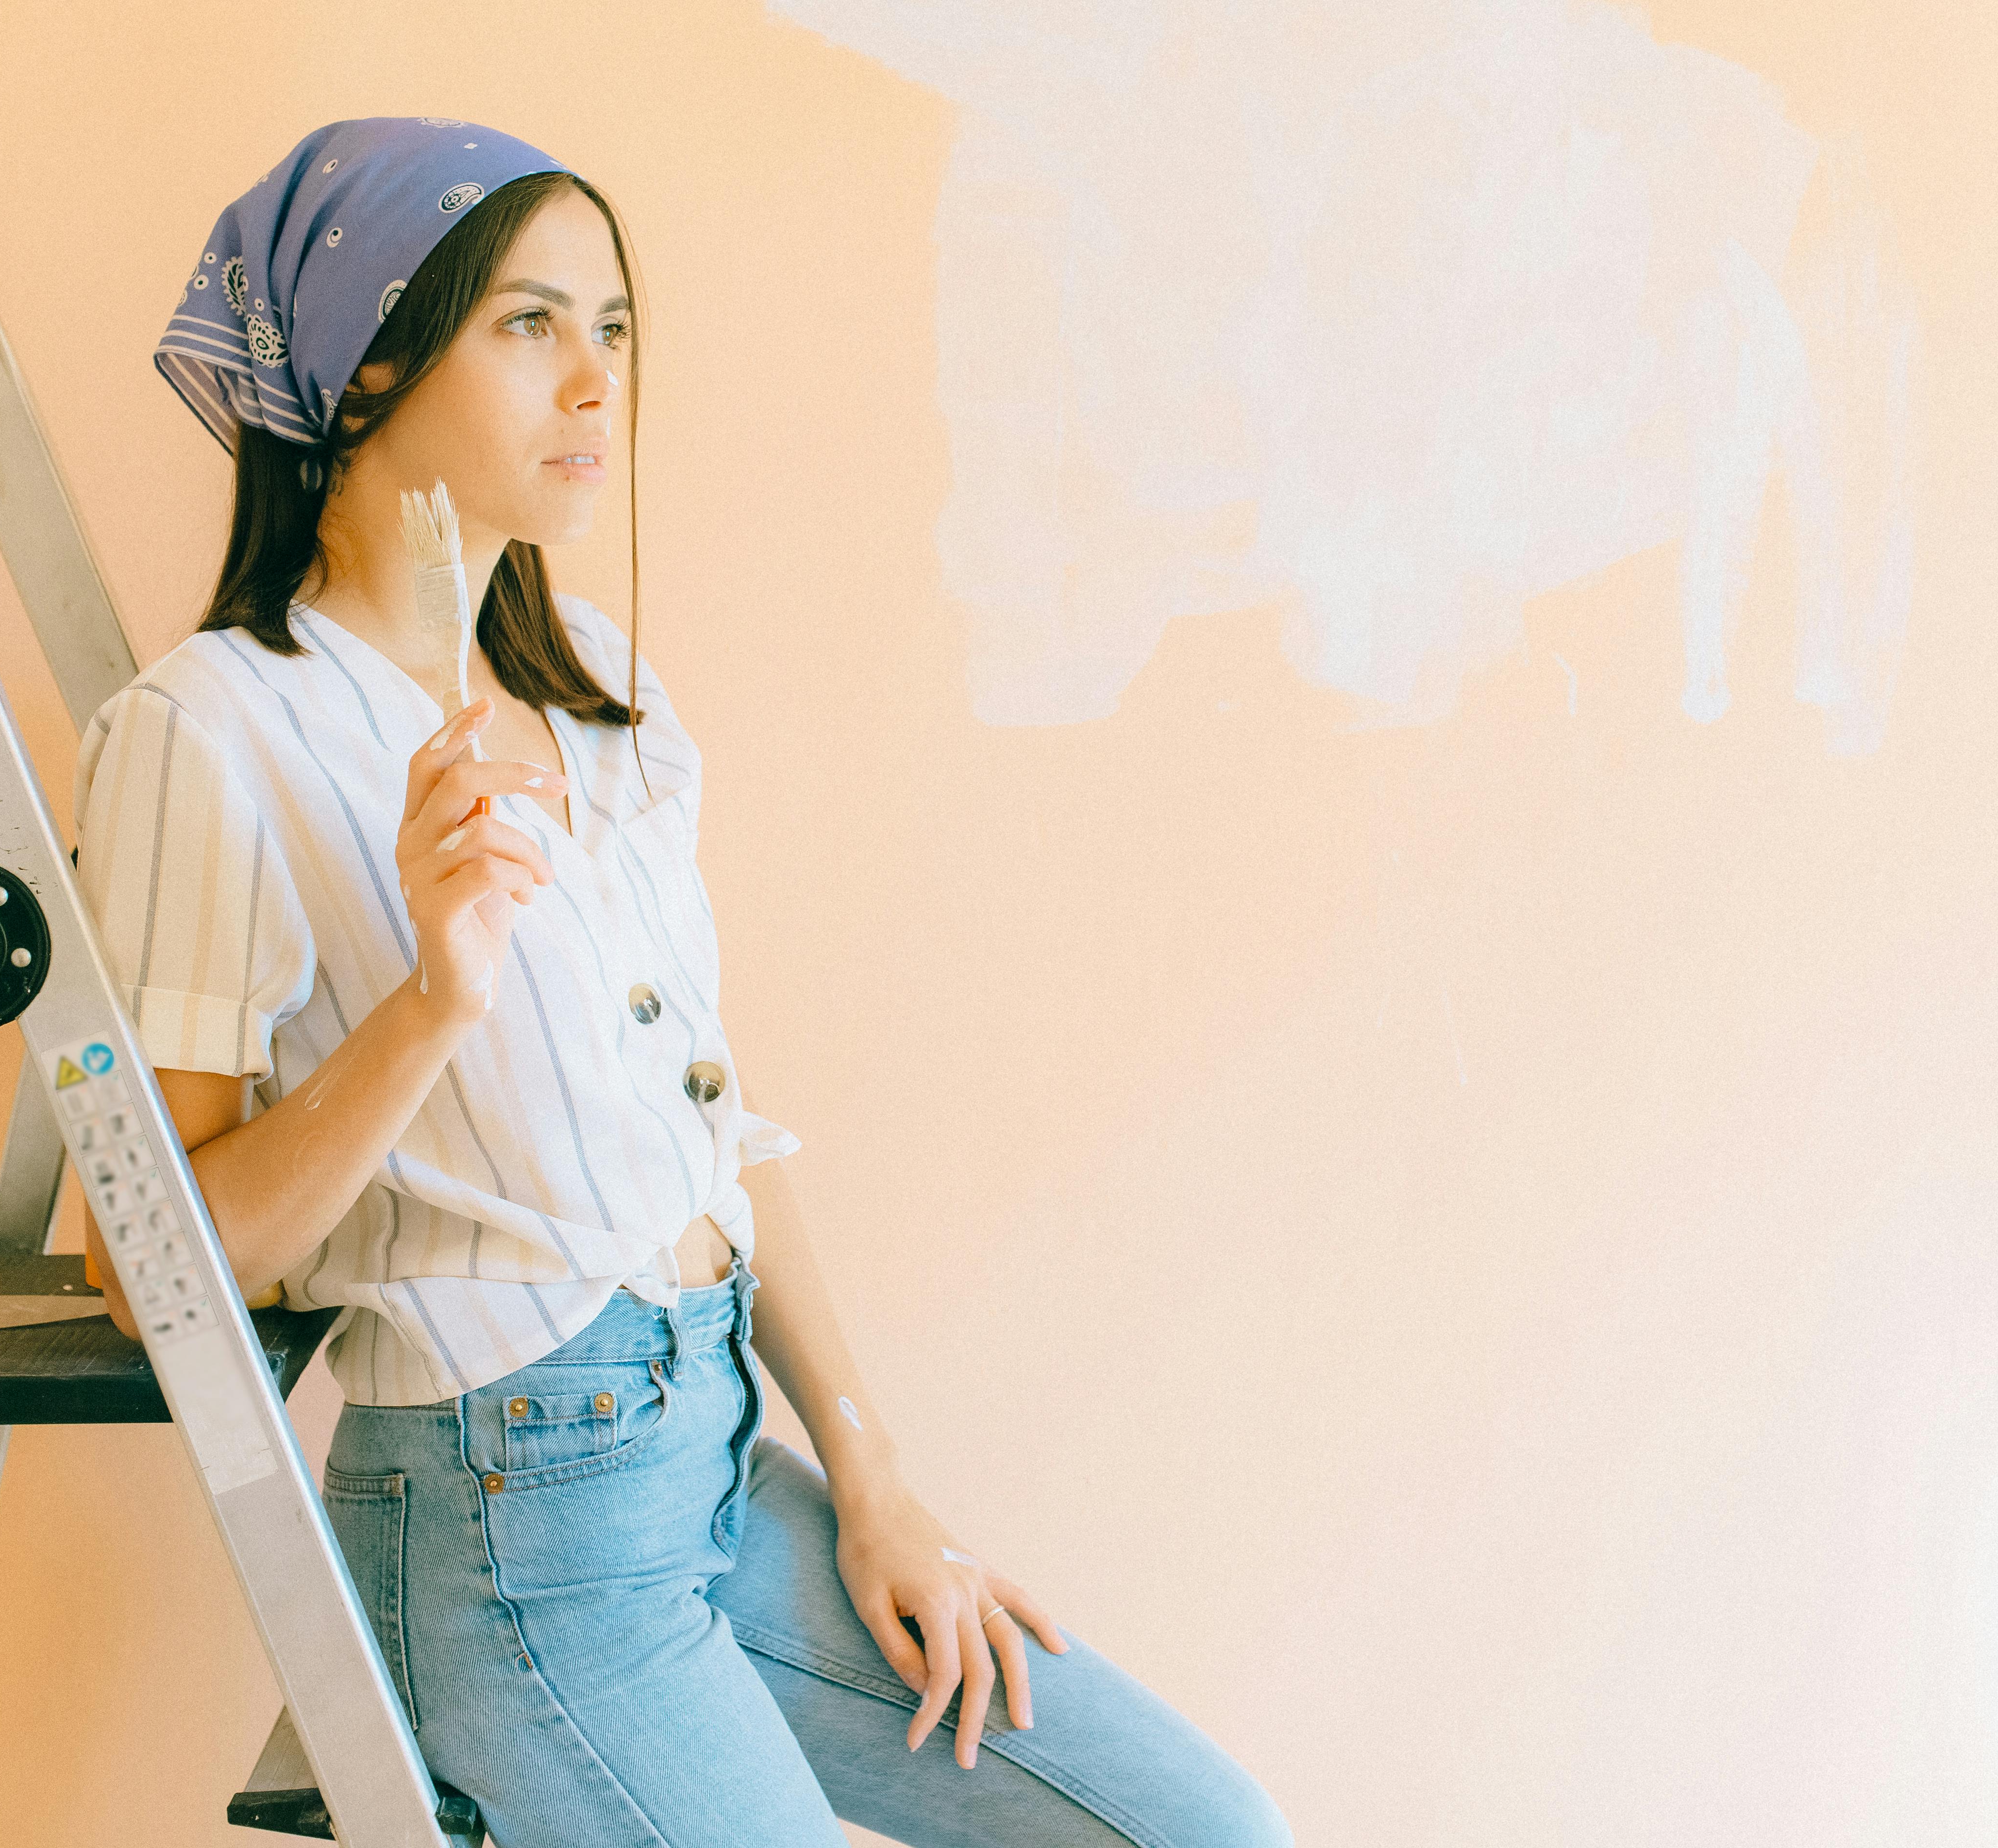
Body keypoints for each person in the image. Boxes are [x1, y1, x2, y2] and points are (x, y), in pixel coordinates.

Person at [73, 117, 1290, 1847]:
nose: (597, 384)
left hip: (715, 1467)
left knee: (1208, 1832)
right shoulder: (213, 733)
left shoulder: (599, 707)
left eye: (616, 329)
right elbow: (154, 1272)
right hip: (511, 1531)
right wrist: (433, 997)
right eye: (530, 325)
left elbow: (720, 1130)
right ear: (362, 371)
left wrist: (874, 1480)